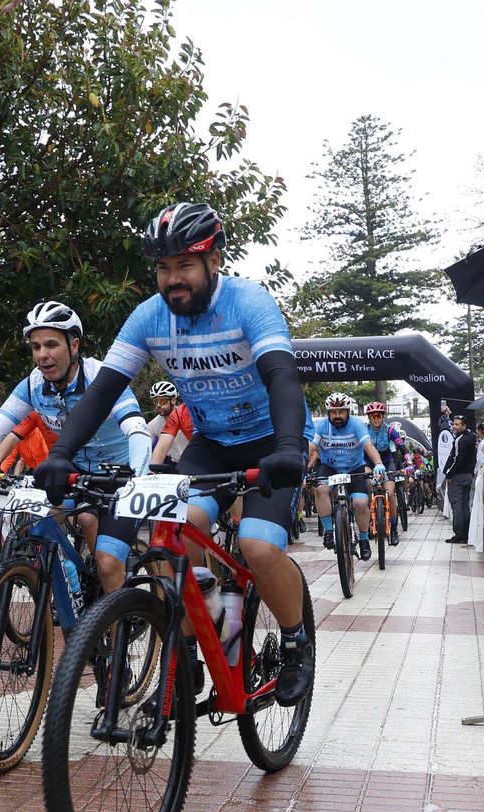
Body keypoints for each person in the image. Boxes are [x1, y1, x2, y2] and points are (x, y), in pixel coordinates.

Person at [29, 202, 315, 706]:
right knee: (172, 537)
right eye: (163, 267)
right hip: (212, 446)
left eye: (184, 264)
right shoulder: (149, 318)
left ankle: (295, 642)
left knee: (259, 547)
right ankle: (192, 641)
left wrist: (291, 445)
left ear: (215, 261)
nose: (172, 278)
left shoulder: (250, 302)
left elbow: (281, 376)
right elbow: (101, 392)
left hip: (273, 441)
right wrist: (64, 453)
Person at [0, 300, 150, 593]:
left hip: (119, 477)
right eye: (36, 347)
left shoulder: (102, 377)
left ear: (74, 345)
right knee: (37, 522)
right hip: (74, 471)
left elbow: (137, 428)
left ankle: (116, 629)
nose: (42, 355)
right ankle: (70, 585)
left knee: (107, 563)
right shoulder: (33, 385)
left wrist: (139, 474)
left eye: (51, 345)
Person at [309, 393, 387, 560]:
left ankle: (364, 539)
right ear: (328, 412)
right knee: (320, 489)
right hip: (329, 467)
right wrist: (298, 465)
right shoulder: (321, 426)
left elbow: (368, 446)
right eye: (333, 412)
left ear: (348, 411)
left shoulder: (357, 425)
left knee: (360, 502)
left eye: (341, 412)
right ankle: (329, 531)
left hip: (354, 468)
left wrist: (378, 463)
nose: (337, 416)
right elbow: (310, 446)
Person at [363, 402, 404, 546]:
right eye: (373, 415)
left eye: (379, 415)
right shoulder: (363, 430)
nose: (376, 418)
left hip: (387, 462)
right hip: (368, 462)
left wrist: (408, 459)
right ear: (369, 417)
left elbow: (401, 445)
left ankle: (393, 529)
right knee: (367, 487)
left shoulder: (390, 430)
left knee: (390, 493)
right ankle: (369, 521)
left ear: (383, 416)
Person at [442, 414, 476, 544]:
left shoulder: (460, 440)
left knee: (457, 505)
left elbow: (457, 460)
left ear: (464, 426)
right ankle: (466, 534)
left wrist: (449, 473)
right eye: (453, 424)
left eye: (457, 425)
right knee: (464, 505)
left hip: (458, 477)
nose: (454, 427)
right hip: (468, 475)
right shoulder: (471, 437)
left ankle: (459, 534)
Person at [147, 380, 193, 472]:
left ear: (173, 400)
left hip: (194, 461)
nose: (158, 405)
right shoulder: (152, 425)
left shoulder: (187, 415)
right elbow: (147, 451)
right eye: (155, 402)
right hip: (174, 464)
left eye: (162, 401)